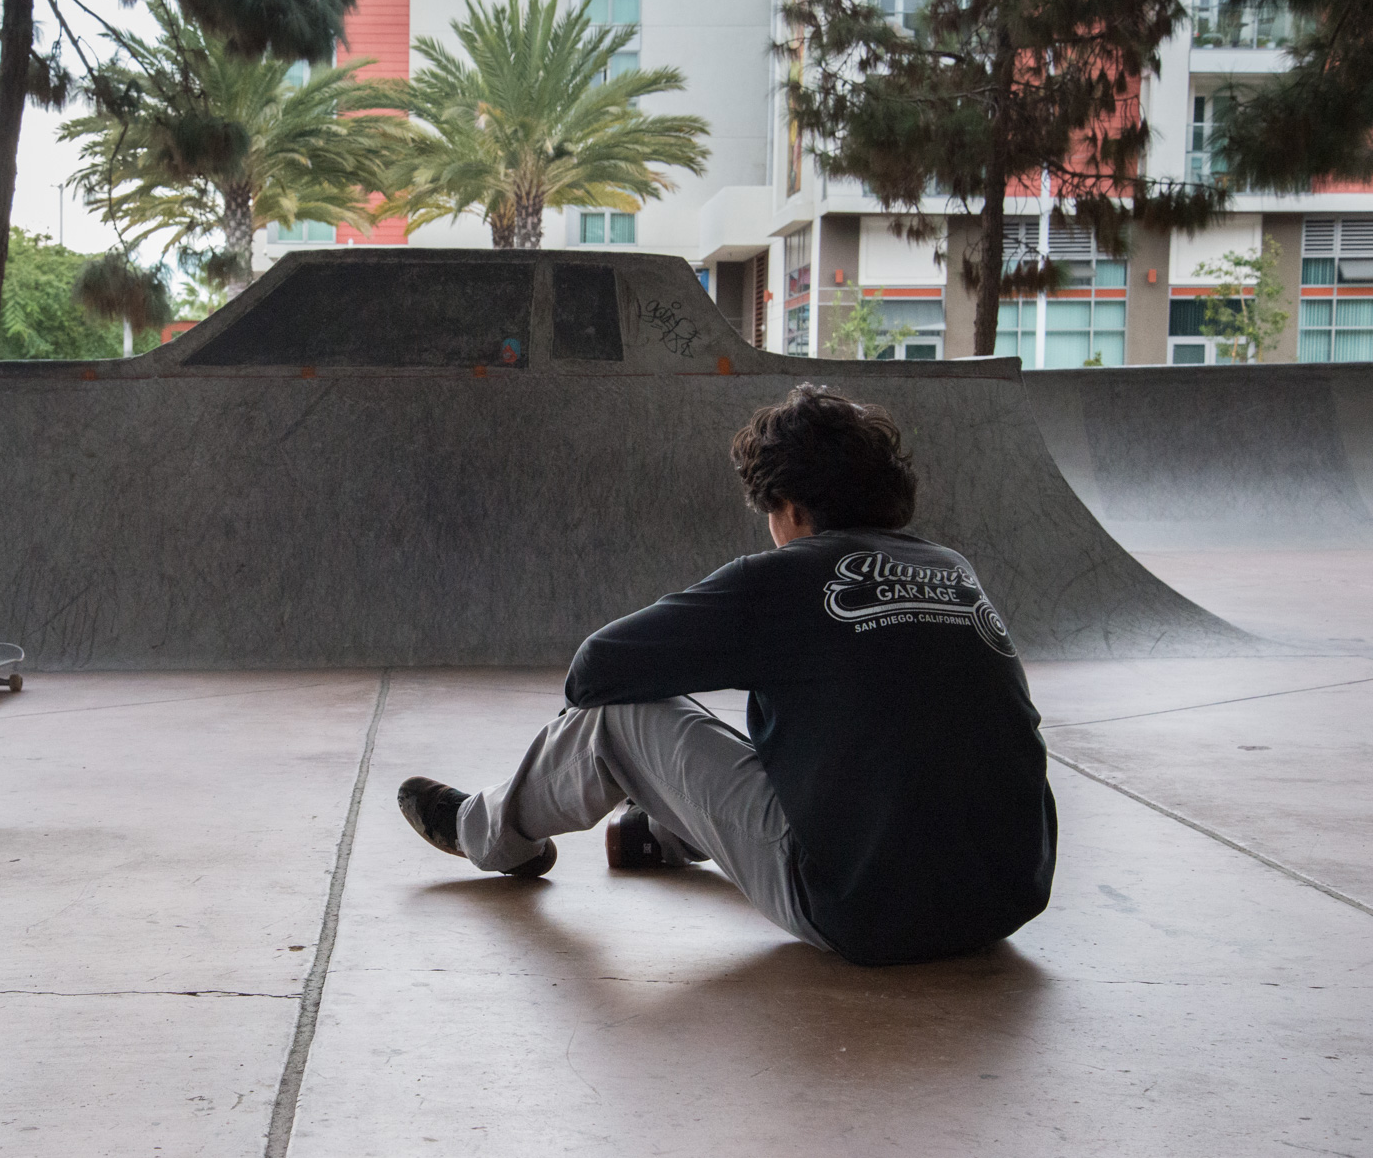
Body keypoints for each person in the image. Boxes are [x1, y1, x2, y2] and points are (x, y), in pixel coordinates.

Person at [397, 384, 1057, 967]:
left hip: (863, 911)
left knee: (617, 720)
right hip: (1005, 897)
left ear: (789, 506)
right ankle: (662, 834)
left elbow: (593, 672)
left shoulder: (783, 578)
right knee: (847, 722)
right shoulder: (952, 570)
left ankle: (486, 833)